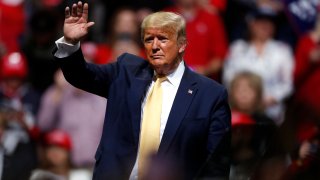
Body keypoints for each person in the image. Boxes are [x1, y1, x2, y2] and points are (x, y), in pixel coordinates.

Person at [53, 2, 231, 180]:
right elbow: (80, 75)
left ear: (182, 44)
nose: (154, 46)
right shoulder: (125, 72)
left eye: (163, 39)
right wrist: (71, 42)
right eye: (148, 39)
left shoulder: (211, 94)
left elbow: (216, 166)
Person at [223, 7, 294, 125]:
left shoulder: (283, 50)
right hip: (239, 111)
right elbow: (228, 78)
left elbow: (288, 84)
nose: (265, 26)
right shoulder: (237, 48)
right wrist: (244, 98)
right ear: (251, 24)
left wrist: (269, 99)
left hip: (271, 112)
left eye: (269, 22)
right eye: (260, 21)